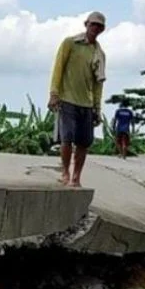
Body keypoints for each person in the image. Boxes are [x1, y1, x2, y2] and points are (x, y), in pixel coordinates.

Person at [48, 11, 107, 187]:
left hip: (87, 103)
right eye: (93, 24)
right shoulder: (70, 43)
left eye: (99, 26)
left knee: (84, 142)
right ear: (86, 24)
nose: (95, 28)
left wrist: (97, 108)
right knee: (67, 138)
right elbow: (58, 68)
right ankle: (65, 172)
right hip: (67, 99)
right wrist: (54, 94)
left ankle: (76, 177)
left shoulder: (99, 53)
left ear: (102, 29)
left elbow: (98, 84)